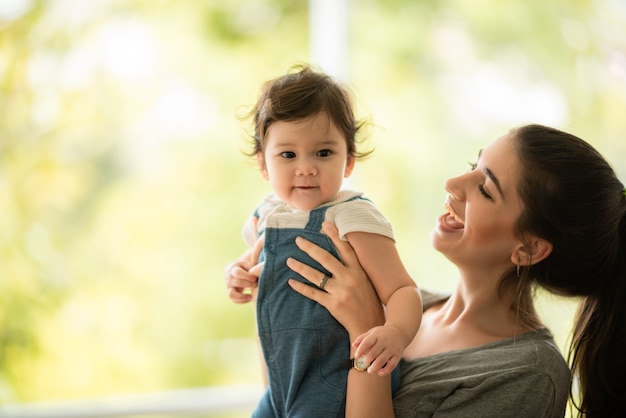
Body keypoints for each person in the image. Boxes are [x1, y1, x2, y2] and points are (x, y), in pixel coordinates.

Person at [281, 124, 626, 417]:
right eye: (472, 165)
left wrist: (366, 336)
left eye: (485, 189)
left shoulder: (528, 375)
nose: (453, 183)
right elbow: (285, 397)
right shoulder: (396, 305)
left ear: (529, 249)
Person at [224, 64, 422, 417]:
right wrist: (239, 272)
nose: (306, 168)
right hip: (282, 380)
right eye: (288, 155)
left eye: (323, 153)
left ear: (349, 161)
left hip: (336, 381)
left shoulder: (352, 216)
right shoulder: (266, 215)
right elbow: (255, 258)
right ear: (263, 165)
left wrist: (395, 333)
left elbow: (403, 290)